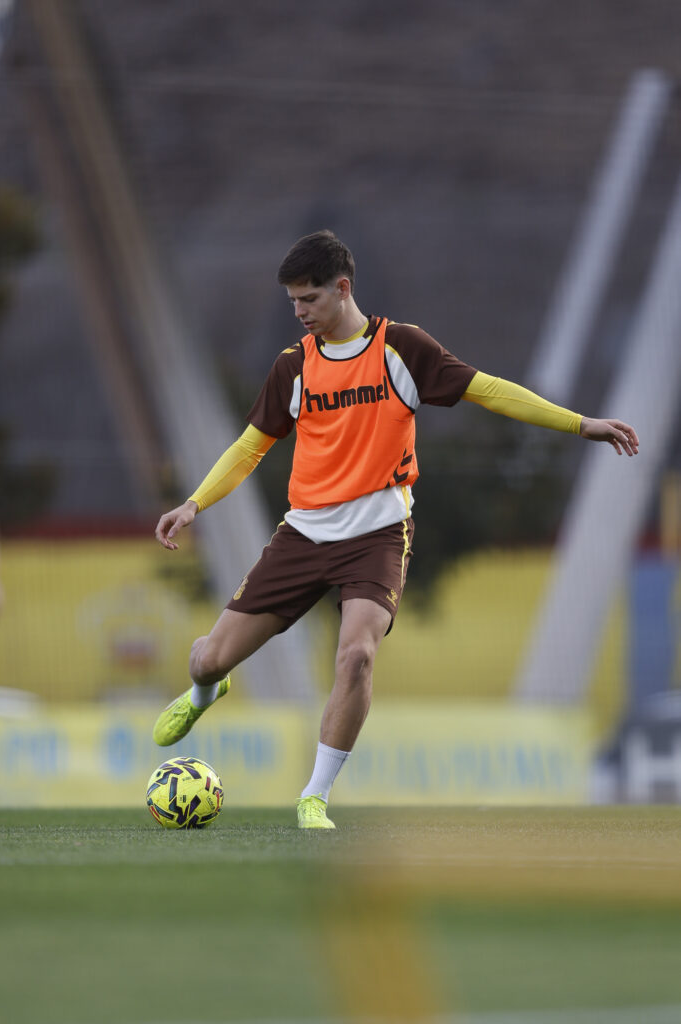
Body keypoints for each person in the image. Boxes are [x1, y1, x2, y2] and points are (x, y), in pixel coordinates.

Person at [153, 229, 639, 829]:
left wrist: (580, 423)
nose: (300, 312)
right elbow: (250, 447)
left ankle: (314, 797)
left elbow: (488, 390)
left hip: (377, 536)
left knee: (357, 654)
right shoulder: (293, 366)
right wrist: (194, 504)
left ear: (343, 288)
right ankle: (206, 692)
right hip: (303, 536)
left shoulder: (400, 349)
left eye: (309, 299)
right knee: (208, 660)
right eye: (293, 302)